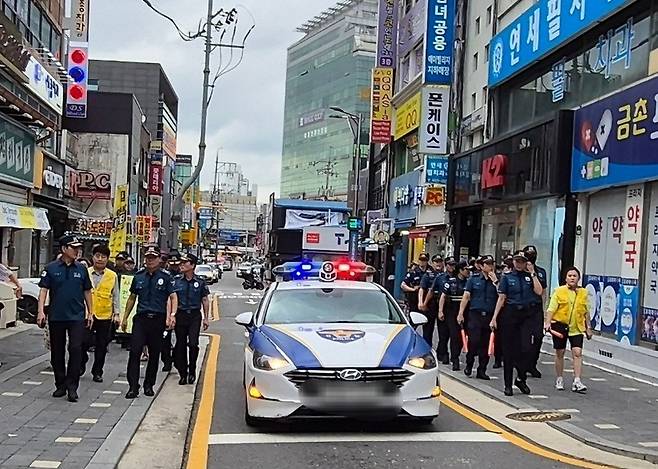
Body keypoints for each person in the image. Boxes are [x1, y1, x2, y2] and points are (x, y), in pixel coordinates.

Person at [37, 235, 93, 403]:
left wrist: (91, 312)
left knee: (76, 348)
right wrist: (41, 311)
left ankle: (72, 386)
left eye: (78, 248)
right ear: (63, 249)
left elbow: (87, 291)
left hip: (76, 316)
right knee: (57, 352)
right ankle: (60, 383)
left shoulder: (81, 269)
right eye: (73, 247)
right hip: (56, 316)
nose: (77, 251)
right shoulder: (51, 268)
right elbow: (43, 291)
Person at [120, 244, 177, 399]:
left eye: (153, 258)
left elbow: (172, 297)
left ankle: (149, 385)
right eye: (148, 258)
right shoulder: (138, 276)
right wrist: (125, 317)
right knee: (135, 352)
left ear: (159, 260)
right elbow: (132, 298)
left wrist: (172, 315)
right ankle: (133, 386)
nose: (150, 261)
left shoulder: (165, 277)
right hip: (141, 319)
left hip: (157, 320)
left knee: (154, 354)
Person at [491, 250, 544, 396]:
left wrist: (532, 273)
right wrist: (494, 317)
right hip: (510, 314)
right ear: (513, 262)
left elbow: (539, 292)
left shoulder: (530, 277)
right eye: (517, 261)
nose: (519, 264)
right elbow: (501, 298)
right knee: (509, 352)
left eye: (522, 261)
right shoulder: (507, 277)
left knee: (526, 349)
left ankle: (521, 378)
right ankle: (508, 384)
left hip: (526, 315)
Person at [544, 267, 592, 393]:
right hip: (560, 325)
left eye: (574, 276)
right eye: (569, 275)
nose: (572, 278)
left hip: (576, 327)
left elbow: (586, 311)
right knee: (560, 353)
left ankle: (577, 380)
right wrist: (547, 322)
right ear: (565, 278)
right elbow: (551, 308)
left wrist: (588, 327)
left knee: (577, 352)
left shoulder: (584, 293)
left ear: (578, 278)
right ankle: (559, 378)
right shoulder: (559, 291)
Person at [81, 244, 120, 383]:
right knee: (82, 342)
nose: (100, 259)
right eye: (97, 256)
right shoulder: (85, 272)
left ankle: (97, 371)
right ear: (93, 257)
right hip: (87, 314)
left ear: (107, 259)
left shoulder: (112, 275)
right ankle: (82, 361)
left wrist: (117, 313)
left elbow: (115, 295)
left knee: (102, 345)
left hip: (105, 315)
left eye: (103, 257)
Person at [458, 255, 498, 379]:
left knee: (486, 345)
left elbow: (502, 296)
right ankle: (469, 364)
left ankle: (482, 370)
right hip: (475, 315)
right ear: (481, 266)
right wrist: (460, 313)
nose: (490, 266)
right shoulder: (473, 280)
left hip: (489, 316)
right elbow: (466, 297)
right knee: (474, 342)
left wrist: (496, 281)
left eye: (492, 264)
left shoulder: (498, 280)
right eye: (487, 264)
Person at [173, 253, 210, 385]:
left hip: (194, 315)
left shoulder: (200, 282)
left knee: (193, 344)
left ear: (193, 265)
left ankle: (192, 370)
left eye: (185, 262)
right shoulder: (176, 281)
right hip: (180, 315)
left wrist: (206, 318)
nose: (181, 265)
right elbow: (171, 299)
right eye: (181, 262)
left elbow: (205, 299)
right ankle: (183, 373)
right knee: (180, 345)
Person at [437, 259, 469, 369]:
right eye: (466, 269)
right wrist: (440, 311)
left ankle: (457, 354)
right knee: (453, 335)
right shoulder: (451, 281)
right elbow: (443, 296)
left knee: (462, 337)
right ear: (460, 270)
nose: (468, 272)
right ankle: (454, 359)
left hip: (466, 310)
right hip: (451, 310)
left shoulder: (469, 281)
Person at [523, 245, 547, 379]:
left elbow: (543, 292)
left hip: (536, 309)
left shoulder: (541, 272)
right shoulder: (520, 272)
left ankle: (532, 364)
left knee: (538, 337)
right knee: (524, 340)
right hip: (523, 309)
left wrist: (544, 310)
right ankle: (522, 363)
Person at [161, 251, 182, 373]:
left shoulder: (183, 274)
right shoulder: (164, 275)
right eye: (172, 263)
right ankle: (166, 361)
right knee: (165, 338)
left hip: (181, 311)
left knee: (181, 339)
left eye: (176, 263)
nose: (174, 266)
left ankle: (176, 358)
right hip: (166, 310)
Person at [418, 255, 443, 346]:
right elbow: (422, 289)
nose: (438, 264)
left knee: (443, 332)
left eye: (440, 261)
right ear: (432, 263)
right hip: (430, 304)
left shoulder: (446, 275)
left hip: (443, 305)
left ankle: (441, 353)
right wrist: (421, 302)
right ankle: (427, 349)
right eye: (436, 262)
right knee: (428, 330)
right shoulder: (428, 274)